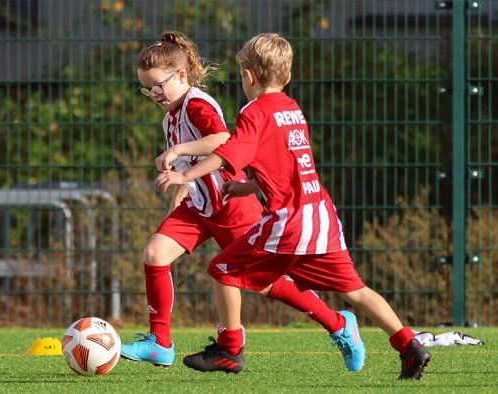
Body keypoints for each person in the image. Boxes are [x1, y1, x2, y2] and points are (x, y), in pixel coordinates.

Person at [155, 32, 431, 380]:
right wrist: (247, 187)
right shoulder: (291, 108)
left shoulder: (254, 111)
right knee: (355, 290)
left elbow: (229, 153)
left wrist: (185, 175)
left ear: (249, 76)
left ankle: (230, 349)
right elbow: (288, 167)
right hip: (321, 215)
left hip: (289, 220)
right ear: (285, 77)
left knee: (222, 271)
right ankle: (409, 345)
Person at [122, 31, 366, 372]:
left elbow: (222, 139)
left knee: (266, 283)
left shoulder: (197, 103)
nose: (153, 94)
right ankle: (160, 343)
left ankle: (338, 324)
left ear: (181, 75)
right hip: (201, 205)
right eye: (147, 87)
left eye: (158, 85)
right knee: (154, 254)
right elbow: (185, 170)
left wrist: (178, 150)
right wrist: (177, 198)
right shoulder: (171, 118)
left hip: (231, 203)